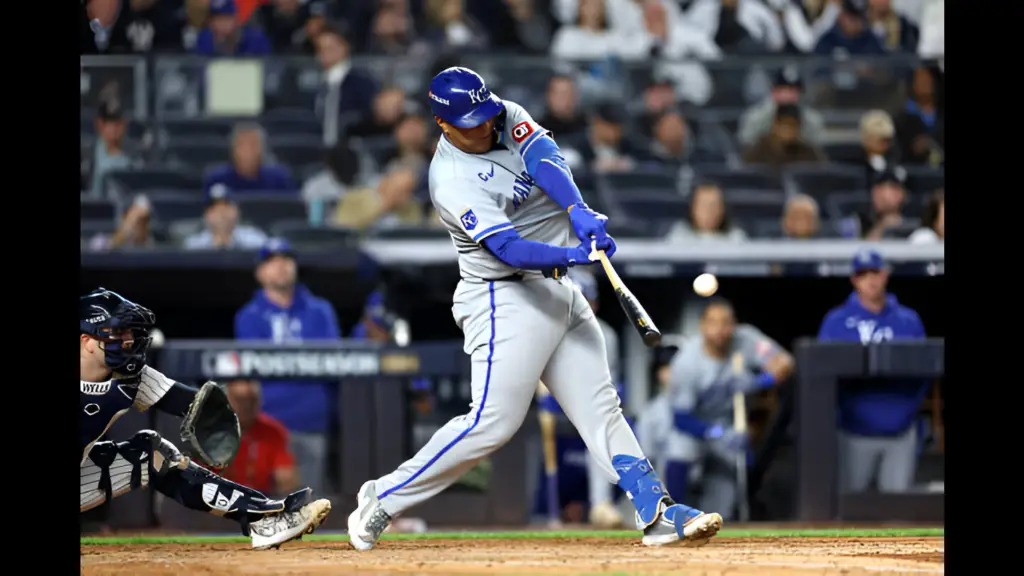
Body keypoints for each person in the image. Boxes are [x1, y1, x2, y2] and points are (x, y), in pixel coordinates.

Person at [346, 66, 724, 551]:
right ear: (443, 125)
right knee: (492, 423)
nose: (484, 126)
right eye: (470, 121)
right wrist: (574, 253)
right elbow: (510, 250)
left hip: (557, 288)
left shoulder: (501, 112)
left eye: (485, 115)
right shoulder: (450, 180)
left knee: (602, 407)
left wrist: (577, 211)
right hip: (503, 295)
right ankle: (383, 496)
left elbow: (545, 158)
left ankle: (657, 511)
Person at [79, 288, 330, 550]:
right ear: (86, 340)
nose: (129, 340)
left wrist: (215, 416)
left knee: (152, 455)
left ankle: (264, 520)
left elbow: (192, 404)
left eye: (130, 332)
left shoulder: (129, 378)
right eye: (118, 333)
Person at [665, 298, 794, 519]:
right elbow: (680, 418)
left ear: (734, 324)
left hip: (728, 423)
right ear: (702, 326)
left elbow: (786, 363)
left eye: (726, 323)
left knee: (725, 500)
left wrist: (761, 380)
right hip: (694, 427)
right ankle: (671, 515)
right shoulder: (687, 362)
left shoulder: (745, 339)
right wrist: (715, 433)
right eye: (713, 323)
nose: (720, 330)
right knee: (680, 449)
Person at [234, 239, 342, 496]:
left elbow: (333, 362)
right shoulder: (248, 315)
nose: (280, 266)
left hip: (311, 421)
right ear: (260, 273)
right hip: (265, 424)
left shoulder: (320, 310)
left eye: (286, 259)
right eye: (271, 261)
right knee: (261, 505)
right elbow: (253, 368)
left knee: (309, 502)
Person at [816, 249, 927, 493]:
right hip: (853, 431)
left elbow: (924, 372)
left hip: (900, 431)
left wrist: (908, 412)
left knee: (899, 516)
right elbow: (822, 374)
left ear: (885, 274)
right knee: (849, 514)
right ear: (854, 279)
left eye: (875, 272)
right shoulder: (836, 321)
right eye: (862, 273)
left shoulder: (908, 320)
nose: (870, 279)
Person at [220, 379, 300, 497]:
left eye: (252, 400)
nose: (246, 406)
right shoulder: (214, 430)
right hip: (220, 497)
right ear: (228, 400)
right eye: (240, 400)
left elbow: (286, 478)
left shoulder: (274, 431)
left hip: (261, 500)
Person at [737, 66, 826, 149]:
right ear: (774, 91)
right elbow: (746, 145)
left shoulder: (812, 119)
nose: (788, 95)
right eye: (783, 90)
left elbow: (816, 147)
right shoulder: (756, 117)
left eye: (793, 90)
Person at [203, 123, 297, 196]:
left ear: (262, 150)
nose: (247, 152)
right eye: (241, 145)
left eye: (253, 145)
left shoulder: (279, 179)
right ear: (233, 150)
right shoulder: (216, 179)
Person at [740, 104, 828, 169]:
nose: (786, 130)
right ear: (773, 124)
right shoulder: (757, 150)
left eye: (791, 125)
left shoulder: (808, 153)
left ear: (798, 128)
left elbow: (821, 175)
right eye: (781, 124)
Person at [183, 184, 269, 250]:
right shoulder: (194, 245)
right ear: (206, 214)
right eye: (215, 208)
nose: (221, 213)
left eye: (226, 206)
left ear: (237, 211)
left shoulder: (255, 239)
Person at [193, 0, 271, 56]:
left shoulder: (255, 38)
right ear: (211, 22)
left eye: (226, 19)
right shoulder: (204, 39)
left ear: (236, 20)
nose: (222, 24)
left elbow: (267, 69)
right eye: (218, 19)